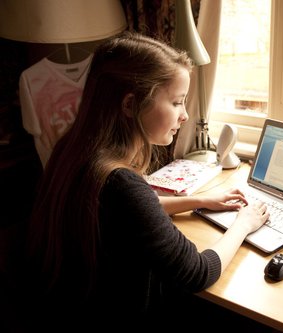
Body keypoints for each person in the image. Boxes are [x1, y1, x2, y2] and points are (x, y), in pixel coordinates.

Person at [19, 32, 270, 331]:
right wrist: (244, 223)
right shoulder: (122, 184)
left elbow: (129, 211)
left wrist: (199, 201)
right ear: (130, 105)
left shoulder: (74, 150)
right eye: (177, 102)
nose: (186, 116)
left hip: (71, 313)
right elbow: (199, 272)